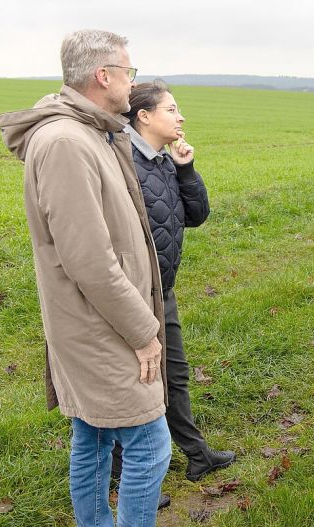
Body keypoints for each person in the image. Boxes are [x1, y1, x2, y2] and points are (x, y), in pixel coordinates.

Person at [0, 30, 172, 527]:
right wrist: (144, 332)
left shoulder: (91, 132)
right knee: (149, 446)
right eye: (129, 72)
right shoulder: (67, 142)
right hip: (99, 326)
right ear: (103, 76)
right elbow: (88, 260)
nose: (131, 81)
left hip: (97, 320)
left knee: (92, 437)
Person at [110, 80, 235, 491]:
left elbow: (196, 215)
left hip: (163, 290)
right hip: (131, 293)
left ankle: (196, 455)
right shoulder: (121, 161)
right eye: (171, 109)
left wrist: (186, 168)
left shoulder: (163, 161)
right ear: (143, 116)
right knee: (134, 383)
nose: (180, 117)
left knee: (174, 374)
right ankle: (127, 476)